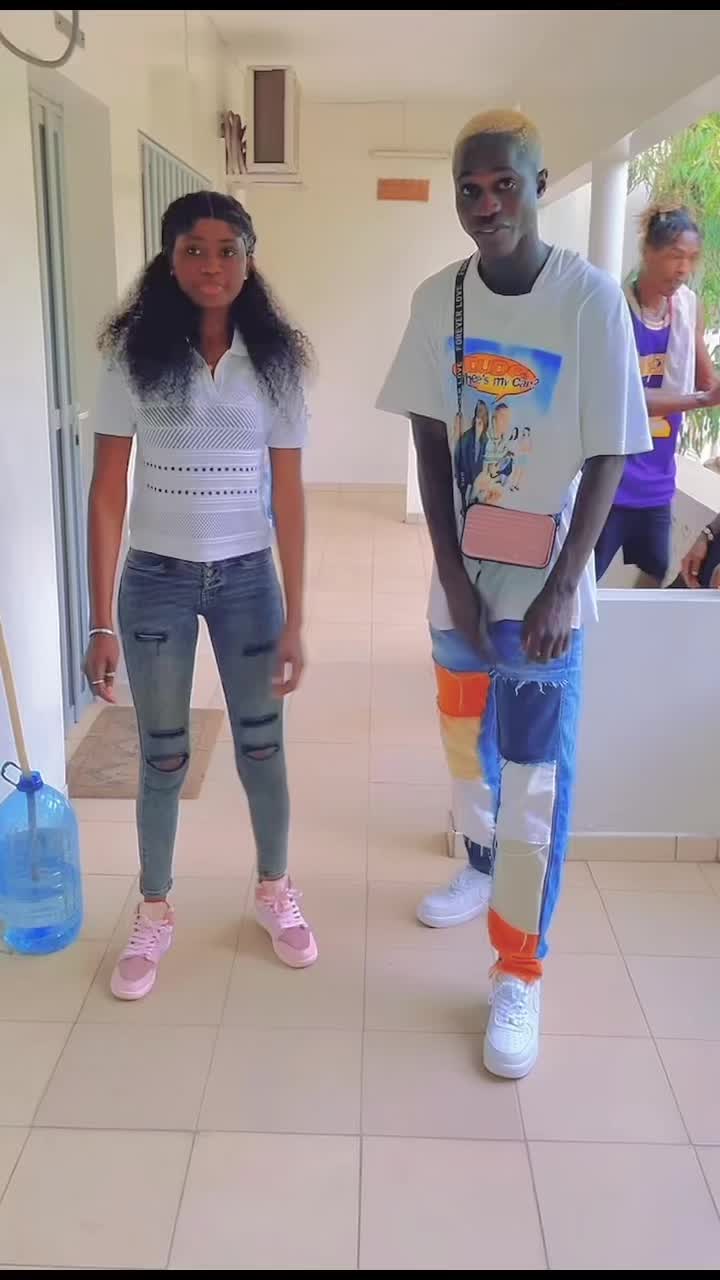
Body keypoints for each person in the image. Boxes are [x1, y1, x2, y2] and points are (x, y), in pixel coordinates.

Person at [377, 109, 650, 1079]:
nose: (486, 204)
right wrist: (451, 577)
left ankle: (519, 971)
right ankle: (478, 867)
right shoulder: (438, 299)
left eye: (504, 185)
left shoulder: (589, 301)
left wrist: (563, 589)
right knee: (467, 750)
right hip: (463, 578)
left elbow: (612, 450)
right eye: (470, 188)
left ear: (539, 187)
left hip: (544, 588)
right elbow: (429, 443)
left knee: (533, 780)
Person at [85, 191, 318, 1001]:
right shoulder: (132, 357)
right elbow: (106, 491)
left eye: (227, 249)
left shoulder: (276, 362)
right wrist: (100, 621)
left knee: (262, 745)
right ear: (169, 257)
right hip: (155, 579)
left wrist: (297, 617)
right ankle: (154, 909)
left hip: (248, 577)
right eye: (193, 249)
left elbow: (288, 496)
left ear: (249, 260)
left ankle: (274, 889)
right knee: (162, 754)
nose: (211, 265)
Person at [595, 204, 720, 586]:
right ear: (648, 251)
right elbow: (625, 398)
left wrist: (712, 390)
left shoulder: (687, 309)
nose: (683, 269)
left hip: (656, 481)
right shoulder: (614, 310)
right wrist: (702, 400)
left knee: (655, 574)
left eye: (691, 258)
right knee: (580, 581)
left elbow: (707, 381)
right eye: (674, 255)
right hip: (608, 479)